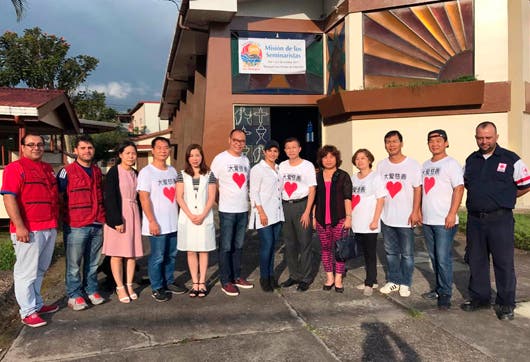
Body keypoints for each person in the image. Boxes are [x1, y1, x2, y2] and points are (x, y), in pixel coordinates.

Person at [462, 121, 530, 320]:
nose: (484, 141)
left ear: (496, 137)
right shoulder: (471, 160)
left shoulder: (511, 159)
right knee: (476, 261)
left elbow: (525, 184)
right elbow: (467, 183)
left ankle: (506, 303)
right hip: (475, 220)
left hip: (500, 220)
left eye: (488, 137)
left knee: (503, 262)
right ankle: (480, 298)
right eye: (480, 138)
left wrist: (506, 197)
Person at [1, 134, 59, 327]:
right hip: (29, 229)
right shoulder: (14, 168)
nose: (36, 148)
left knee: (40, 269)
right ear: (23, 147)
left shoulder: (46, 169)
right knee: (26, 272)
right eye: (31, 144)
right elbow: (9, 198)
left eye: (40, 144)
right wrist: (19, 226)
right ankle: (27, 311)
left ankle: (37, 304)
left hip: (48, 227)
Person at [58, 135, 106, 311]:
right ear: (76, 150)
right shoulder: (67, 171)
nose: (87, 151)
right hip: (76, 224)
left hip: (96, 222)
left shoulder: (96, 171)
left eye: (90, 148)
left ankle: (91, 289)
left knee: (93, 262)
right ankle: (74, 294)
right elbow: (59, 196)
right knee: (74, 263)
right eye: (83, 148)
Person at [137, 136, 187, 302]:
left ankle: (169, 281)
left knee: (171, 254)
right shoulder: (146, 172)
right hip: (157, 223)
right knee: (157, 256)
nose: (163, 151)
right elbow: (144, 198)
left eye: (166, 148)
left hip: (173, 222)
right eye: (159, 147)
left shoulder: (173, 171)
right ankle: (157, 286)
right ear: (153, 150)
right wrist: (151, 221)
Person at [421, 130, 464, 310]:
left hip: (444, 220)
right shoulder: (425, 164)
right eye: (431, 141)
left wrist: (452, 213)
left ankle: (445, 293)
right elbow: (422, 190)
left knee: (443, 258)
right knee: (434, 257)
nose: (435, 144)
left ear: (446, 143)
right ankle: (439, 289)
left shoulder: (451, 164)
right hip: (428, 220)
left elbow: (459, 188)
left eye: (439, 141)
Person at [376, 130, 422, 297]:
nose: (391, 145)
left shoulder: (413, 164)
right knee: (390, 252)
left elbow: (418, 189)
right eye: (388, 142)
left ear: (401, 143)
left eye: (394, 141)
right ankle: (394, 280)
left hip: (406, 217)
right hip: (387, 217)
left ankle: (405, 282)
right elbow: (378, 191)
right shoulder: (381, 165)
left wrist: (416, 211)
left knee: (407, 253)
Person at [210, 129, 253, 296]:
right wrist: (219, 201)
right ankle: (225, 280)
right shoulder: (220, 159)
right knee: (226, 247)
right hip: (227, 210)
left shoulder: (245, 160)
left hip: (243, 209)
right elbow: (212, 183)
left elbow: (247, 183)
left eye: (242, 141)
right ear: (229, 140)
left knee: (239, 246)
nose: (238, 143)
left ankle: (236, 276)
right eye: (235, 140)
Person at [102, 141, 143, 303]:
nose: (131, 156)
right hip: (119, 215)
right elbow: (110, 197)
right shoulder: (114, 172)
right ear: (120, 155)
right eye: (127, 153)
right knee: (118, 254)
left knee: (131, 254)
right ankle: (119, 286)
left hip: (133, 214)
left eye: (133, 153)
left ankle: (129, 284)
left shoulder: (136, 173)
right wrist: (115, 220)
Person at [176, 144, 216, 298]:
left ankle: (202, 282)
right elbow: (179, 196)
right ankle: (194, 283)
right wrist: (191, 215)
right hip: (188, 218)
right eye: (191, 155)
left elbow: (212, 197)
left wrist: (202, 214)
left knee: (204, 250)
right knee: (191, 250)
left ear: (202, 156)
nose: (194, 158)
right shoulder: (182, 174)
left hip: (204, 217)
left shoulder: (209, 174)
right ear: (187, 158)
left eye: (197, 155)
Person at [279, 137, 317, 292]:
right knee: (289, 244)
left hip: (302, 206)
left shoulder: (307, 166)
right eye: (288, 148)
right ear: (285, 150)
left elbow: (312, 189)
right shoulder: (282, 166)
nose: (291, 150)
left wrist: (308, 212)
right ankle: (294, 275)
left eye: (294, 147)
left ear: (299, 148)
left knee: (305, 243)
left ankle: (306, 278)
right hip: (285, 206)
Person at [313, 145, 352, 293]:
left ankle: (338, 278)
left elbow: (348, 198)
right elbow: (315, 199)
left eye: (331, 156)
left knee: (340, 249)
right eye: (325, 157)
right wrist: (313, 217)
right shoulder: (317, 177)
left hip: (340, 218)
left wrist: (348, 217)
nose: (328, 160)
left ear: (337, 158)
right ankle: (329, 277)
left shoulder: (343, 176)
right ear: (321, 159)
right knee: (325, 249)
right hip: (322, 219)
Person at [249, 140, 284, 292]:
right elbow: (254, 192)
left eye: (275, 151)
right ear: (264, 152)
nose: (272, 153)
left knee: (273, 247)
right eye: (270, 151)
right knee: (267, 245)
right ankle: (264, 277)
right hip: (264, 213)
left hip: (277, 212)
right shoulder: (258, 169)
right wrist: (261, 212)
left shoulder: (279, 168)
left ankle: (271, 276)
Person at [351, 148, 386, 296]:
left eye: (363, 158)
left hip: (370, 222)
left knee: (371, 253)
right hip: (357, 221)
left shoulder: (375, 177)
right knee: (364, 253)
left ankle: (369, 283)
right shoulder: (353, 178)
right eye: (357, 158)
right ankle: (373, 279)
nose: (360, 161)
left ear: (369, 160)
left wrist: (375, 220)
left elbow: (380, 200)